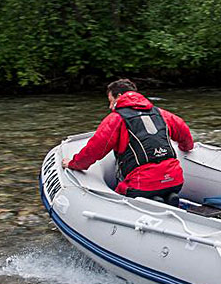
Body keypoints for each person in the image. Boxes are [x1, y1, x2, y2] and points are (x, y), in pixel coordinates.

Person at [62, 79, 194, 204]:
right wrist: (185, 147)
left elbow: (95, 148)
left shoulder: (116, 118)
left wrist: (74, 164)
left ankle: (152, 199)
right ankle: (165, 196)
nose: (110, 106)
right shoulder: (161, 113)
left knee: (124, 187)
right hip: (175, 181)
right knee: (159, 186)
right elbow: (186, 135)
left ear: (119, 96)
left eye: (110, 100)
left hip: (140, 185)